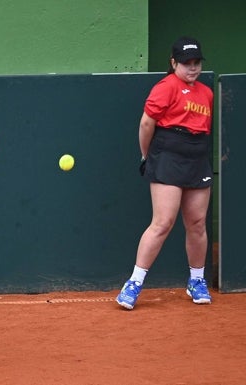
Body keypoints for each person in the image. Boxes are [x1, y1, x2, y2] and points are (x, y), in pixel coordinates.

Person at [116, 36, 213, 310]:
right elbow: (147, 124)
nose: (192, 68)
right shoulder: (166, 87)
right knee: (163, 223)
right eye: (186, 63)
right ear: (173, 63)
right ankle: (134, 283)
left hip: (196, 156)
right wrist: (148, 156)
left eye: (196, 63)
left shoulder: (207, 93)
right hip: (168, 155)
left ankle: (197, 280)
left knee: (197, 223)